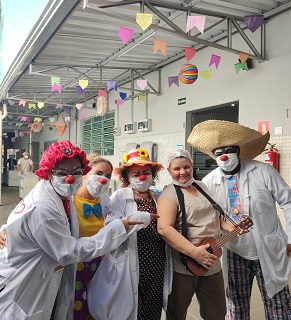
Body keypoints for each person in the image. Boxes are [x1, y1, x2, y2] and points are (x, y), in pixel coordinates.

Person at [0, 141, 148, 320]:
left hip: (79, 271)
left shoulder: (68, 196)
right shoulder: (44, 207)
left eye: (76, 172)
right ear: (49, 172)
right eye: (62, 173)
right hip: (34, 279)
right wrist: (117, 229)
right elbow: (68, 252)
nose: (70, 178)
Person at [187, 120, 291, 320]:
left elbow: (288, 201)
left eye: (229, 150)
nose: (224, 155)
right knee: (236, 304)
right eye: (218, 152)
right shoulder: (209, 181)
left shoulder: (263, 171)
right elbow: (206, 216)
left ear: (238, 150)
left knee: (278, 304)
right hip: (233, 250)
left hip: (267, 247)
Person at [157, 149, 244, 320]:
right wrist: (195, 252)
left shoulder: (201, 186)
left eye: (186, 166)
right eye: (177, 168)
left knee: (217, 311)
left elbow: (217, 217)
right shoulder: (169, 194)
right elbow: (164, 229)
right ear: (169, 171)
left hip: (211, 262)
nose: (183, 172)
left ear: (191, 166)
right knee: (177, 312)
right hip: (183, 266)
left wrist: (231, 227)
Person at [95, 148, 169, 320]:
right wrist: (140, 218)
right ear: (127, 177)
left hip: (157, 260)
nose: (142, 177)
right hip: (132, 257)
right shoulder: (120, 196)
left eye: (146, 172)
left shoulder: (156, 196)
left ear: (153, 174)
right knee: (132, 304)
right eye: (136, 174)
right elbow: (111, 226)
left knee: (153, 301)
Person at [73, 153, 113, 319]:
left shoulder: (105, 201)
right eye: (98, 173)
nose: (103, 179)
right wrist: (6, 229)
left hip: (98, 264)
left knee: (96, 307)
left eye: (108, 176)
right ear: (84, 173)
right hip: (75, 265)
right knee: (74, 307)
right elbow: (33, 214)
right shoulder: (67, 199)